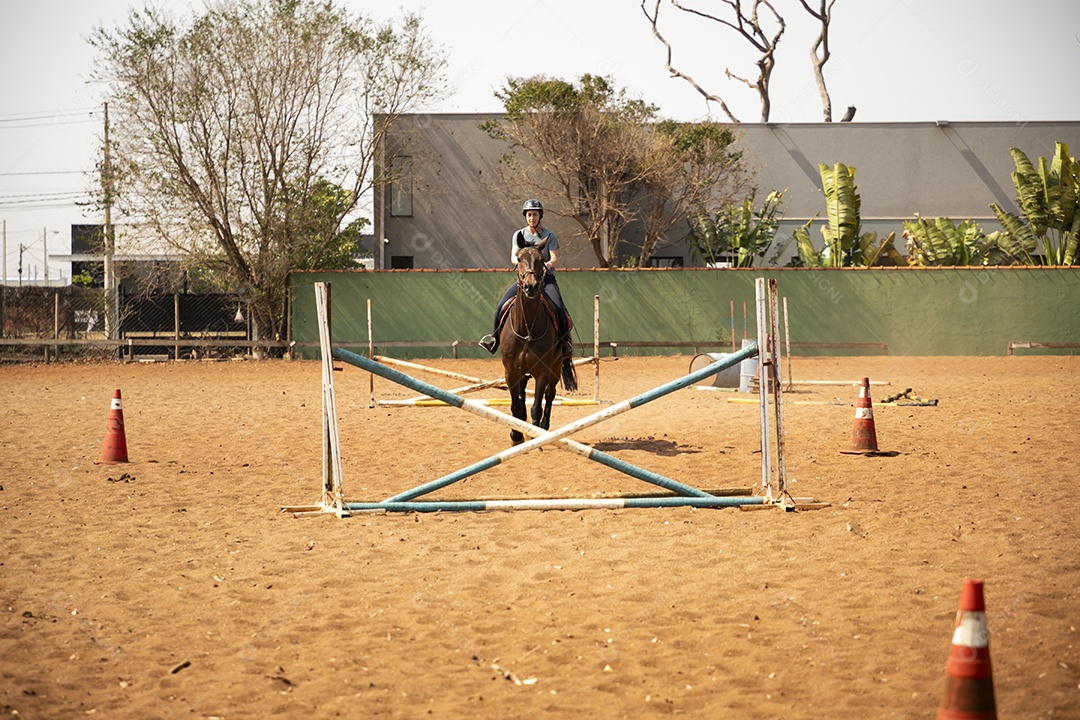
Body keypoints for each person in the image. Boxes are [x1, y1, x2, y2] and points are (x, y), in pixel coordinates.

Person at [480, 199, 574, 357]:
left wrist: (546, 265)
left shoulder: (549, 236)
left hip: (545, 279)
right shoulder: (519, 235)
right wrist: (523, 266)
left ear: (540, 216)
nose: (532, 218)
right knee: (501, 306)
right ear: (526, 216)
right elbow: (514, 256)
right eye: (529, 214)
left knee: (558, 308)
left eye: (535, 214)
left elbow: (555, 258)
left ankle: (565, 344)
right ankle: (494, 340)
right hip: (525, 280)